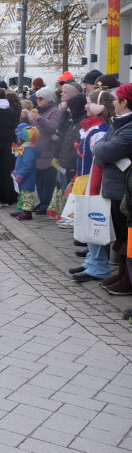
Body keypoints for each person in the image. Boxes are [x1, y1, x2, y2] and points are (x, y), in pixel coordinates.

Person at [91, 83, 132, 296]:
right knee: (123, 236)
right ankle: (124, 274)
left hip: (124, 190)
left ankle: (128, 279)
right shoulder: (120, 123)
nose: (113, 103)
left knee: (128, 236)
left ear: (124, 102)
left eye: (116, 99)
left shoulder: (129, 126)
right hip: (117, 187)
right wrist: (101, 149)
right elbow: (100, 148)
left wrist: (101, 149)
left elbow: (104, 150)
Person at [72, 90, 115, 283]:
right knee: (87, 221)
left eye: (89, 102)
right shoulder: (93, 128)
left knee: (95, 221)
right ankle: (92, 260)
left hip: (94, 182)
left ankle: (98, 265)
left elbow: (99, 161)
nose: (85, 106)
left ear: (99, 106)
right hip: (85, 179)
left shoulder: (100, 131)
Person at [30, 87, 64, 215]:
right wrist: (24, 118)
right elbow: (31, 126)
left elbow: (52, 128)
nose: (38, 101)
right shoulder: (40, 110)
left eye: (40, 98)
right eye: (37, 98)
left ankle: (46, 204)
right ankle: (42, 202)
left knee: (48, 180)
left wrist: (39, 119)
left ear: (49, 100)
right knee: (39, 180)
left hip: (49, 150)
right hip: (37, 150)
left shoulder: (55, 111)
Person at [10, 124, 39, 221]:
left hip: (26, 176)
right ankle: (21, 210)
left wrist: (21, 174)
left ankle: (27, 212)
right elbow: (17, 157)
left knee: (26, 194)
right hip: (21, 174)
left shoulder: (29, 149)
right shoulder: (25, 146)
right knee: (22, 193)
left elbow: (27, 164)